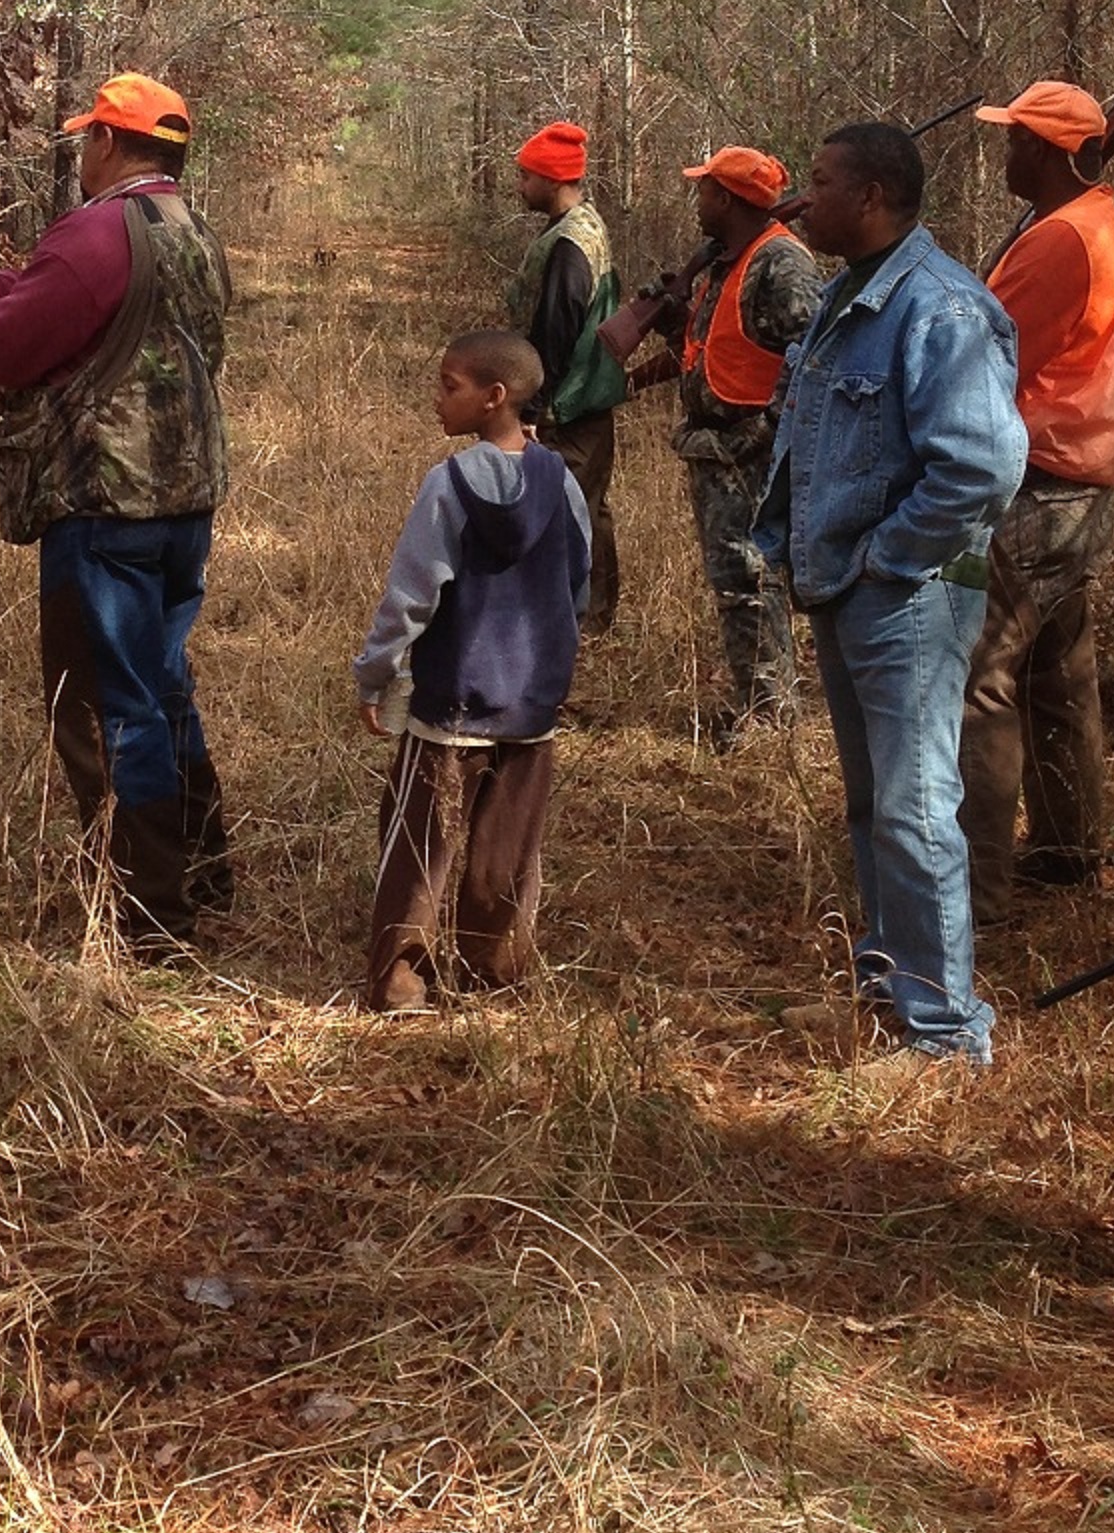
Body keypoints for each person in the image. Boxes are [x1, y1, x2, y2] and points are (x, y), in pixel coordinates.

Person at [0, 72, 232, 945]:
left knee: (108, 703)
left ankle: (149, 916)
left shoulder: (95, 231)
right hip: (182, 500)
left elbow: (11, 342)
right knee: (163, 684)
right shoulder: (188, 230)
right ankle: (204, 866)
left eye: (85, 141)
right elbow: (56, 296)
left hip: (103, 504)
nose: (80, 155)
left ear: (109, 143)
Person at [753, 124, 1027, 1069]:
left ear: (870, 196)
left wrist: (887, 558)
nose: (803, 199)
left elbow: (982, 468)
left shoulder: (942, 310)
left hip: (907, 597)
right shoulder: (847, 297)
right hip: (848, 588)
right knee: (875, 806)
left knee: (914, 809)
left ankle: (946, 1037)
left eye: (821, 182)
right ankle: (890, 991)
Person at [352, 330, 593, 1013]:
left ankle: (401, 978)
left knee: (419, 844)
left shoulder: (448, 484)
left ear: (495, 398)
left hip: (450, 705)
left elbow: (410, 597)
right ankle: (494, 974)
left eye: (449, 386)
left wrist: (375, 675)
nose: (436, 399)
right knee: (505, 848)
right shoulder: (563, 480)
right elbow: (578, 581)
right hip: (532, 706)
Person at [959, 80, 1114, 920]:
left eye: (1019, 140)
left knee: (982, 676)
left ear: (1049, 151)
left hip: (1042, 481)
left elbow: (987, 359)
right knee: (1057, 673)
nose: (1008, 151)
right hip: (1081, 477)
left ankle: (975, 888)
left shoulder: (1062, 239)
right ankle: (1070, 851)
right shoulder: (1084, 221)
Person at [629, 145, 825, 741]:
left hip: (750, 453)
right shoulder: (725, 261)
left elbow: (814, 357)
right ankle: (756, 703)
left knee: (753, 580)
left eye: (705, 190)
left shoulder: (781, 265)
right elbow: (717, 344)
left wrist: (766, 430)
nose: (698, 199)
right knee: (737, 584)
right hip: (715, 448)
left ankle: (771, 718)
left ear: (728, 199)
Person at [505, 120, 625, 634]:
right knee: (589, 508)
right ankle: (593, 617)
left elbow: (555, 331)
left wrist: (531, 408)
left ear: (552, 180)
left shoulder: (570, 244)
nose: (520, 185)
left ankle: (572, 621)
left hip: (567, 407)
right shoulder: (585, 225)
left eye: (526, 176)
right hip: (585, 402)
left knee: (565, 513)